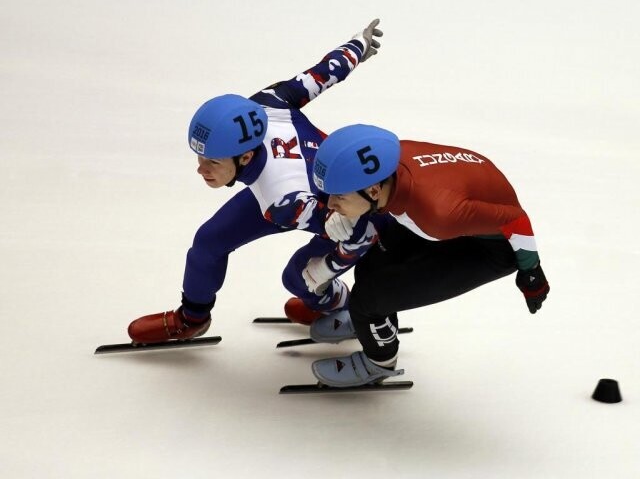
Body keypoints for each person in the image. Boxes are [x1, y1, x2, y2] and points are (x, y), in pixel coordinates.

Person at [127, 20, 386, 344]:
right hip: (300, 193)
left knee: (298, 277)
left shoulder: (281, 201)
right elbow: (322, 73)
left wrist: (324, 277)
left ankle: (344, 307)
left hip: (350, 210)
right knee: (208, 241)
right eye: (199, 157)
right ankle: (192, 318)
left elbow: (357, 233)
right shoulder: (267, 102)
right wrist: (356, 47)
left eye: (213, 162)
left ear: (245, 157)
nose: (200, 170)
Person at [307, 124, 550, 387]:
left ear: (375, 191)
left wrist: (531, 271)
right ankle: (372, 327)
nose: (331, 204)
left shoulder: (437, 215)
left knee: (367, 301)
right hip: (458, 206)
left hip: (492, 248)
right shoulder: (390, 165)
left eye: (339, 197)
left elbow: (516, 220)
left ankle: (379, 362)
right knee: (370, 264)